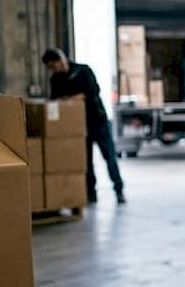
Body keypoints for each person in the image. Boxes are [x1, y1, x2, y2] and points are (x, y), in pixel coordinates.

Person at [42, 48, 126, 205]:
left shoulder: (83, 71)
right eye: (51, 68)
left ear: (61, 59)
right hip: (79, 126)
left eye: (54, 66)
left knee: (109, 157)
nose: (54, 70)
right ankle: (90, 194)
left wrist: (68, 99)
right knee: (86, 162)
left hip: (98, 121)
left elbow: (92, 91)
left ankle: (119, 190)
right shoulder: (56, 79)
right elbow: (55, 101)